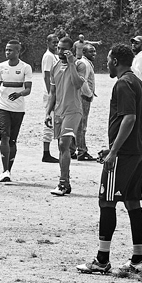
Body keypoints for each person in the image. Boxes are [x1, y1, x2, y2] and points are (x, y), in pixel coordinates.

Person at [77, 43, 142, 275]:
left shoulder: (123, 83)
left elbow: (129, 118)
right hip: (139, 151)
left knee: (107, 201)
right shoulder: (139, 83)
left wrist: (113, 152)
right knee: (132, 202)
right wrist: (110, 148)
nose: (106, 63)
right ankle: (137, 259)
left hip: (125, 153)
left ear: (116, 61)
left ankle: (101, 260)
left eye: (109, 60)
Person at [44, 36, 87, 196]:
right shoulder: (55, 66)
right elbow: (52, 92)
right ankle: (66, 183)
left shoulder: (79, 65)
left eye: (63, 48)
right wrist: (48, 112)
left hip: (73, 111)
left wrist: (70, 64)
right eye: (58, 48)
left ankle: (62, 183)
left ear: (71, 49)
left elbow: (77, 84)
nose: (60, 51)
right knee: (61, 147)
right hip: (59, 112)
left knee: (64, 144)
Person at [0, 39, 32, 183]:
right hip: (3, 107)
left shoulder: (25, 68)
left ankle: (9, 169)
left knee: (13, 140)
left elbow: (28, 89)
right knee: (4, 137)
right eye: (6, 49)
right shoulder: (1, 66)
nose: (7, 52)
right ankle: (4, 171)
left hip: (19, 109)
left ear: (18, 52)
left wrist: (19, 94)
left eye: (10, 50)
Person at [75, 43, 98, 161]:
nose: (94, 54)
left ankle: (72, 149)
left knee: (79, 123)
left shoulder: (86, 63)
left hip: (83, 96)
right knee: (82, 125)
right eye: (91, 52)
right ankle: (82, 151)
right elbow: (82, 82)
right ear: (84, 53)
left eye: (94, 51)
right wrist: (89, 94)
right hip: (83, 97)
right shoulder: (84, 64)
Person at [40, 33, 60, 163]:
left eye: (57, 42)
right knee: (49, 121)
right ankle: (46, 153)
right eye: (53, 42)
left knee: (55, 120)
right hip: (50, 93)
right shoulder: (48, 56)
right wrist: (50, 93)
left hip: (55, 92)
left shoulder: (54, 56)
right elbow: (47, 76)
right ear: (47, 43)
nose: (56, 45)